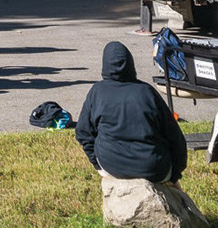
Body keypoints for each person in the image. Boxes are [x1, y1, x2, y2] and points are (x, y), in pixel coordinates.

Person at [75, 41, 188, 187]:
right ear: (130, 64)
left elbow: (83, 133)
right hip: (154, 169)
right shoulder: (147, 92)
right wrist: (175, 174)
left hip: (112, 167)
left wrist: (97, 165)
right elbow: (175, 138)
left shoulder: (97, 92)